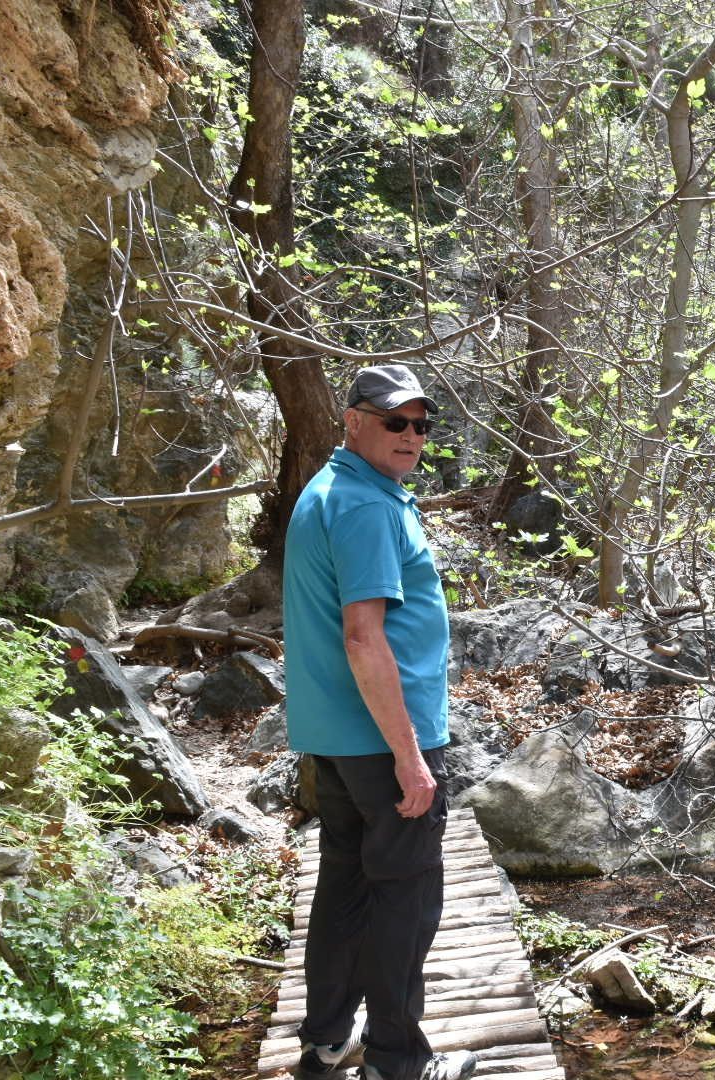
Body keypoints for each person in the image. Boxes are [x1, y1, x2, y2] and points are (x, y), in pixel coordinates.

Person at [282, 364, 478, 1080]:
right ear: (354, 420)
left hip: (336, 737)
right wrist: (409, 755)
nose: (411, 435)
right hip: (380, 739)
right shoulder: (364, 505)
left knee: (346, 888)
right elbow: (363, 638)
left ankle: (327, 1041)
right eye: (395, 421)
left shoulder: (331, 490)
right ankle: (397, 1061)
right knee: (405, 898)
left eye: (421, 424)